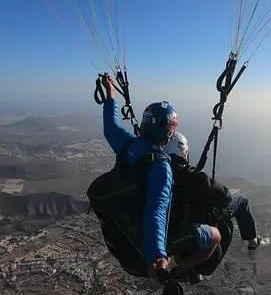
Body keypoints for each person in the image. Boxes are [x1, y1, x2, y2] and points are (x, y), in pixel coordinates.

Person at [95, 74, 221, 280]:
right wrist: (157, 257)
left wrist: (110, 96)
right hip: (146, 253)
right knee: (215, 235)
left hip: (125, 232)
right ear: (165, 130)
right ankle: (182, 272)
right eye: (171, 127)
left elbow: (110, 127)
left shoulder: (127, 144)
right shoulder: (160, 165)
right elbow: (157, 210)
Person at [163, 132, 270, 257]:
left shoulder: (158, 176)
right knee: (242, 200)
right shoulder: (192, 179)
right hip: (196, 225)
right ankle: (254, 244)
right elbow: (225, 197)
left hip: (172, 233)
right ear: (183, 152)